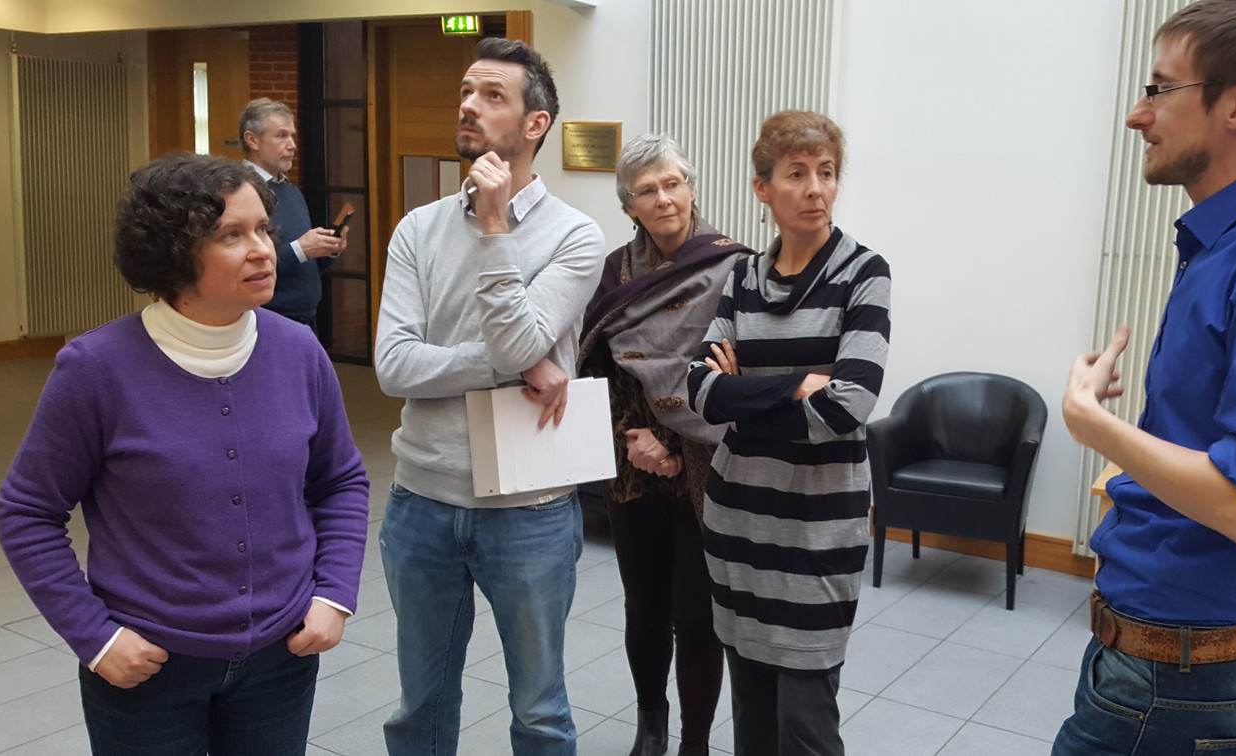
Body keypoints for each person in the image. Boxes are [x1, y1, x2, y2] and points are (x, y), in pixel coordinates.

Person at [0, 153, 370, 755]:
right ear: (173, 255)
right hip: (149, 669)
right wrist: (94, 637)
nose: (263, 250)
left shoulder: (300, 352)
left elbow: (341, 482)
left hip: (282, 657)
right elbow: (26, 512)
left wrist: (333, 595)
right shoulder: (96, 370)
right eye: (232, 235)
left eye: (263, 230)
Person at [1054, 1, 1236, 753]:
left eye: (1159, 90)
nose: (1136, 116)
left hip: (1186, 676)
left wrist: (1095, 423)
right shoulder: (1232, 240)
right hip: (1161, 659)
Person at [372, 37, 606, 756]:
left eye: (493, 95)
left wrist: (498, 227)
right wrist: (519, 364)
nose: (470, 104)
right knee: (421, 706)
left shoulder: (577, 236)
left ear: (535, 125)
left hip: (527, 513)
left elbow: (513, 348)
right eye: (467, 91)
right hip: (422, 504)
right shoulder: (418, 229)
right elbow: (394, 367)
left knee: (539, 710)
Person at [686, 111, 891, 756]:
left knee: (804, 729)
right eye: (796, 174)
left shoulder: (864, 273)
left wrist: (745, 392)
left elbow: (847, 405)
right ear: (762, 189)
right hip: (737, 526)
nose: (815, 189)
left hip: (816, 534)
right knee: (750, 716)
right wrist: (798, 382)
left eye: (826, 173)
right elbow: (699, 390)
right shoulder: (742, 277)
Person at [577, 133, 750, 756]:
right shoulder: (617, 272)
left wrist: (681, 440)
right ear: (630, 206)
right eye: (647, 190)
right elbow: (599, 365)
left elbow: (737, 370)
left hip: (709, 462)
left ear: (692, 188)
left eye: (672, 183)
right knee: (643, 605)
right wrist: (639, 437)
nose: (664, 198)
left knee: (698, 618)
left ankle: (695, 743)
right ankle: (651, 726)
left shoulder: (735, 267)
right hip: (636, 462)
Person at [239, 98, 347, 327]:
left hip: (307, 318)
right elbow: (243, 266)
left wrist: (327, 250)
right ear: (252, 140)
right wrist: (300, 249)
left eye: (292, 136)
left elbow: (304, 262)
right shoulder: (240, 193)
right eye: (281, 136)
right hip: (268, 320)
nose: (292, 145)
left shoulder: (290, 190)